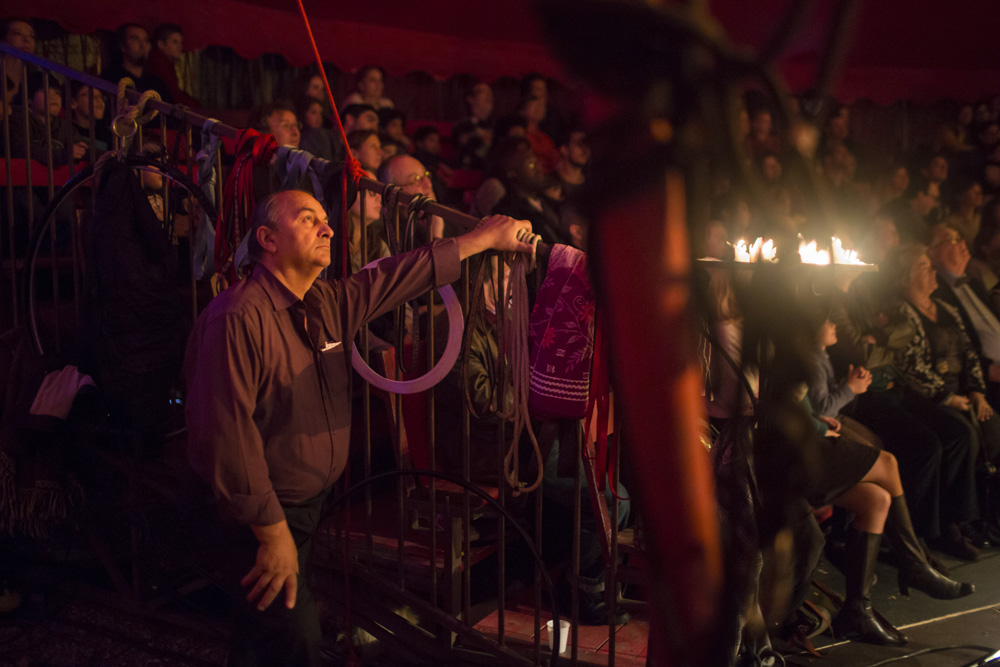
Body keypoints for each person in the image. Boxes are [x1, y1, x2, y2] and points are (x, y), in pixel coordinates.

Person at [184, 189, 534, 666]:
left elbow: (397, 276)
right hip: (261, 515)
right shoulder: (237, 318)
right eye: (308, 220)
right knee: (294, 641)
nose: (327, 229)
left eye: (326, 220)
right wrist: (271, 533)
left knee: (262, 639)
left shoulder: (325, 302)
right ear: (266, 238)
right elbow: (225, 436)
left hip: (303, 509)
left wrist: (481, 239)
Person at [101, 23, 172, 103]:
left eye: (146, 40)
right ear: (122, 46)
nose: (142, 45)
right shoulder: (110, 79)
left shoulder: (157, 84)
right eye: (135, 39)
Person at [146, 23, 200, 108]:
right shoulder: (158, 61)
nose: (180, 47)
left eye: (181, 43)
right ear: (161, 44)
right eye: (175, 42)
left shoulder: (166, 62)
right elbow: (173, 95)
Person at [2, 17, 35, 105]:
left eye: (31, 36)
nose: (27, 40)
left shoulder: (32, 73)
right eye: (18, 33)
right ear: (3, 39)